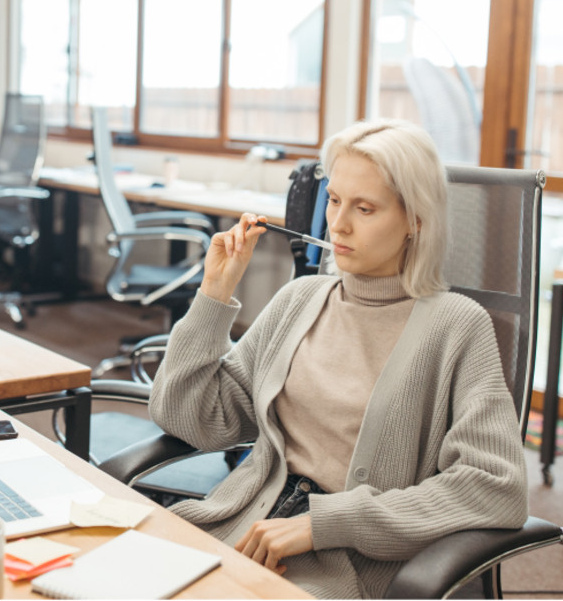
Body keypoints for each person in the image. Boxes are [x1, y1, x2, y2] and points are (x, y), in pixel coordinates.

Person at [148, 118, 528, 599]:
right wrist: (214, 295)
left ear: (415, 220)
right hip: (237, 528)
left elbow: (495, 488)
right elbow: (194, 418)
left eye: (364, 208)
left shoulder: (456, 326)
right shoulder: (300, 298)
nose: (339, 223)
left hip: (337, 568)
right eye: (334, 199)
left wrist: (323, 525)